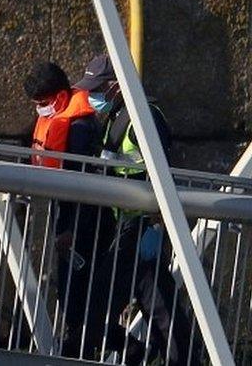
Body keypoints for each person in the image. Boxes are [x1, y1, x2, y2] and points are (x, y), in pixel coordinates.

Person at [73, 54, 196, 365]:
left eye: (98, 89)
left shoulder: (142, 118)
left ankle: (145, 355)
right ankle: (174, 360)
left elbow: (163, 173)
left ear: (115, 86)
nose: (92, 96)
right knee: (160, 305)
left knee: (96, 303)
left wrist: (156, 227)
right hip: (128, 225)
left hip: (140, 226)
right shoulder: (119, 117)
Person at [23, 61, 115, 358]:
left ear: (59, 97)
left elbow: (82, 183)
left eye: (43, 103)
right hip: (68, 216)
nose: (40, 110)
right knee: (72, 296)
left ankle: (87, 352)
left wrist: (72, 231)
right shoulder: (61, 119)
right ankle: (82, 349)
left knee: (78, 297)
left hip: (83, 223)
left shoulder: (79, 127)